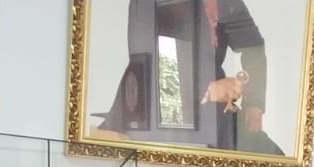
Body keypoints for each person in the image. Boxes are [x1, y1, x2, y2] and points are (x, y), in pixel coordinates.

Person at [96, 0, 278, 155]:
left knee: (272, 157)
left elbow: (253, 46)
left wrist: (254, 104)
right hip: (159, 109)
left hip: (215, 111)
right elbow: (153, 61)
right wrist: (208, 91)